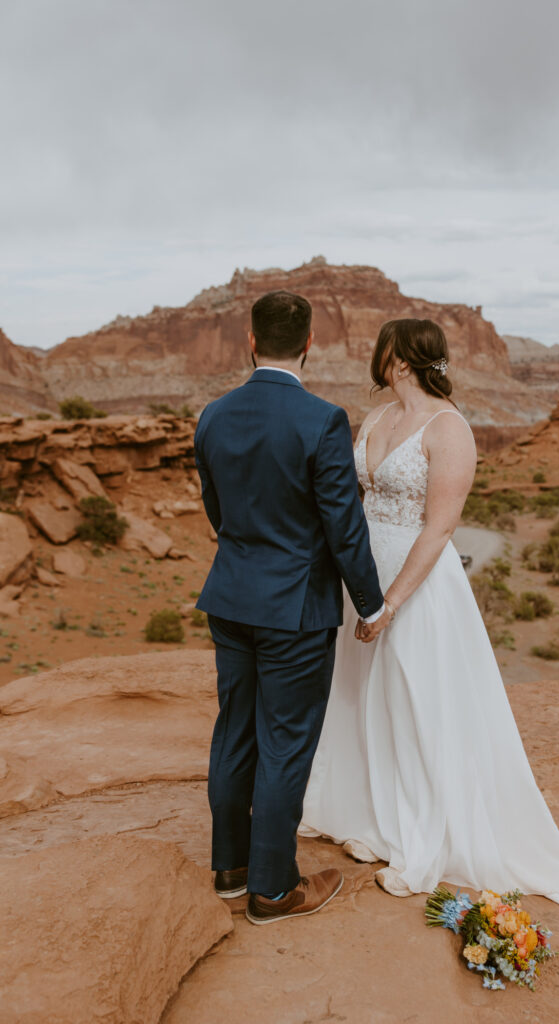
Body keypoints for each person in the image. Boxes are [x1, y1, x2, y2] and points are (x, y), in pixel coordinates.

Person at [301, 318, 559, 915]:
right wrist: (356, 585)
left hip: (416, 587)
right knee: (362, 696)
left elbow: (440, 528)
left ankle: (420, 843)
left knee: (416, 702)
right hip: (362, 578)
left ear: (403, 358)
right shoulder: (377, 419)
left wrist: (392, 603)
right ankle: (368, 817)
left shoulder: (451, 428)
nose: (375, 354)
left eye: (382, 345)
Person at [194, 290, 388, 925]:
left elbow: (219, 513)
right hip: (294, 610)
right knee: (285, 743)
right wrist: (370, 602)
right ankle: (274, 890)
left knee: (235, 730)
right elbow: (344, 527)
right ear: (310, 345)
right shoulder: (323, 419)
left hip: (231, 597)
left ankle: (230, 868)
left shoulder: (213, 416)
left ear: (250, 342)